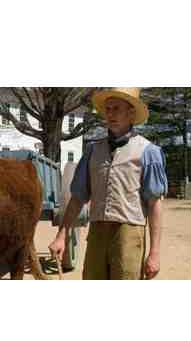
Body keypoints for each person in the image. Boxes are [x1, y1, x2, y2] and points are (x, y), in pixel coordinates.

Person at [48, 88, 168, 280]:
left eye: (116, 108)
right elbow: (77, 198)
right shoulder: (92, 151)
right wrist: (61, 236)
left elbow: (155, 204)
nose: (110, 114)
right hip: (97, 233)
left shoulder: (148, 152)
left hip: (129, 235)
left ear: (131, 113)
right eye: (108, 109)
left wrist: (154, 253)